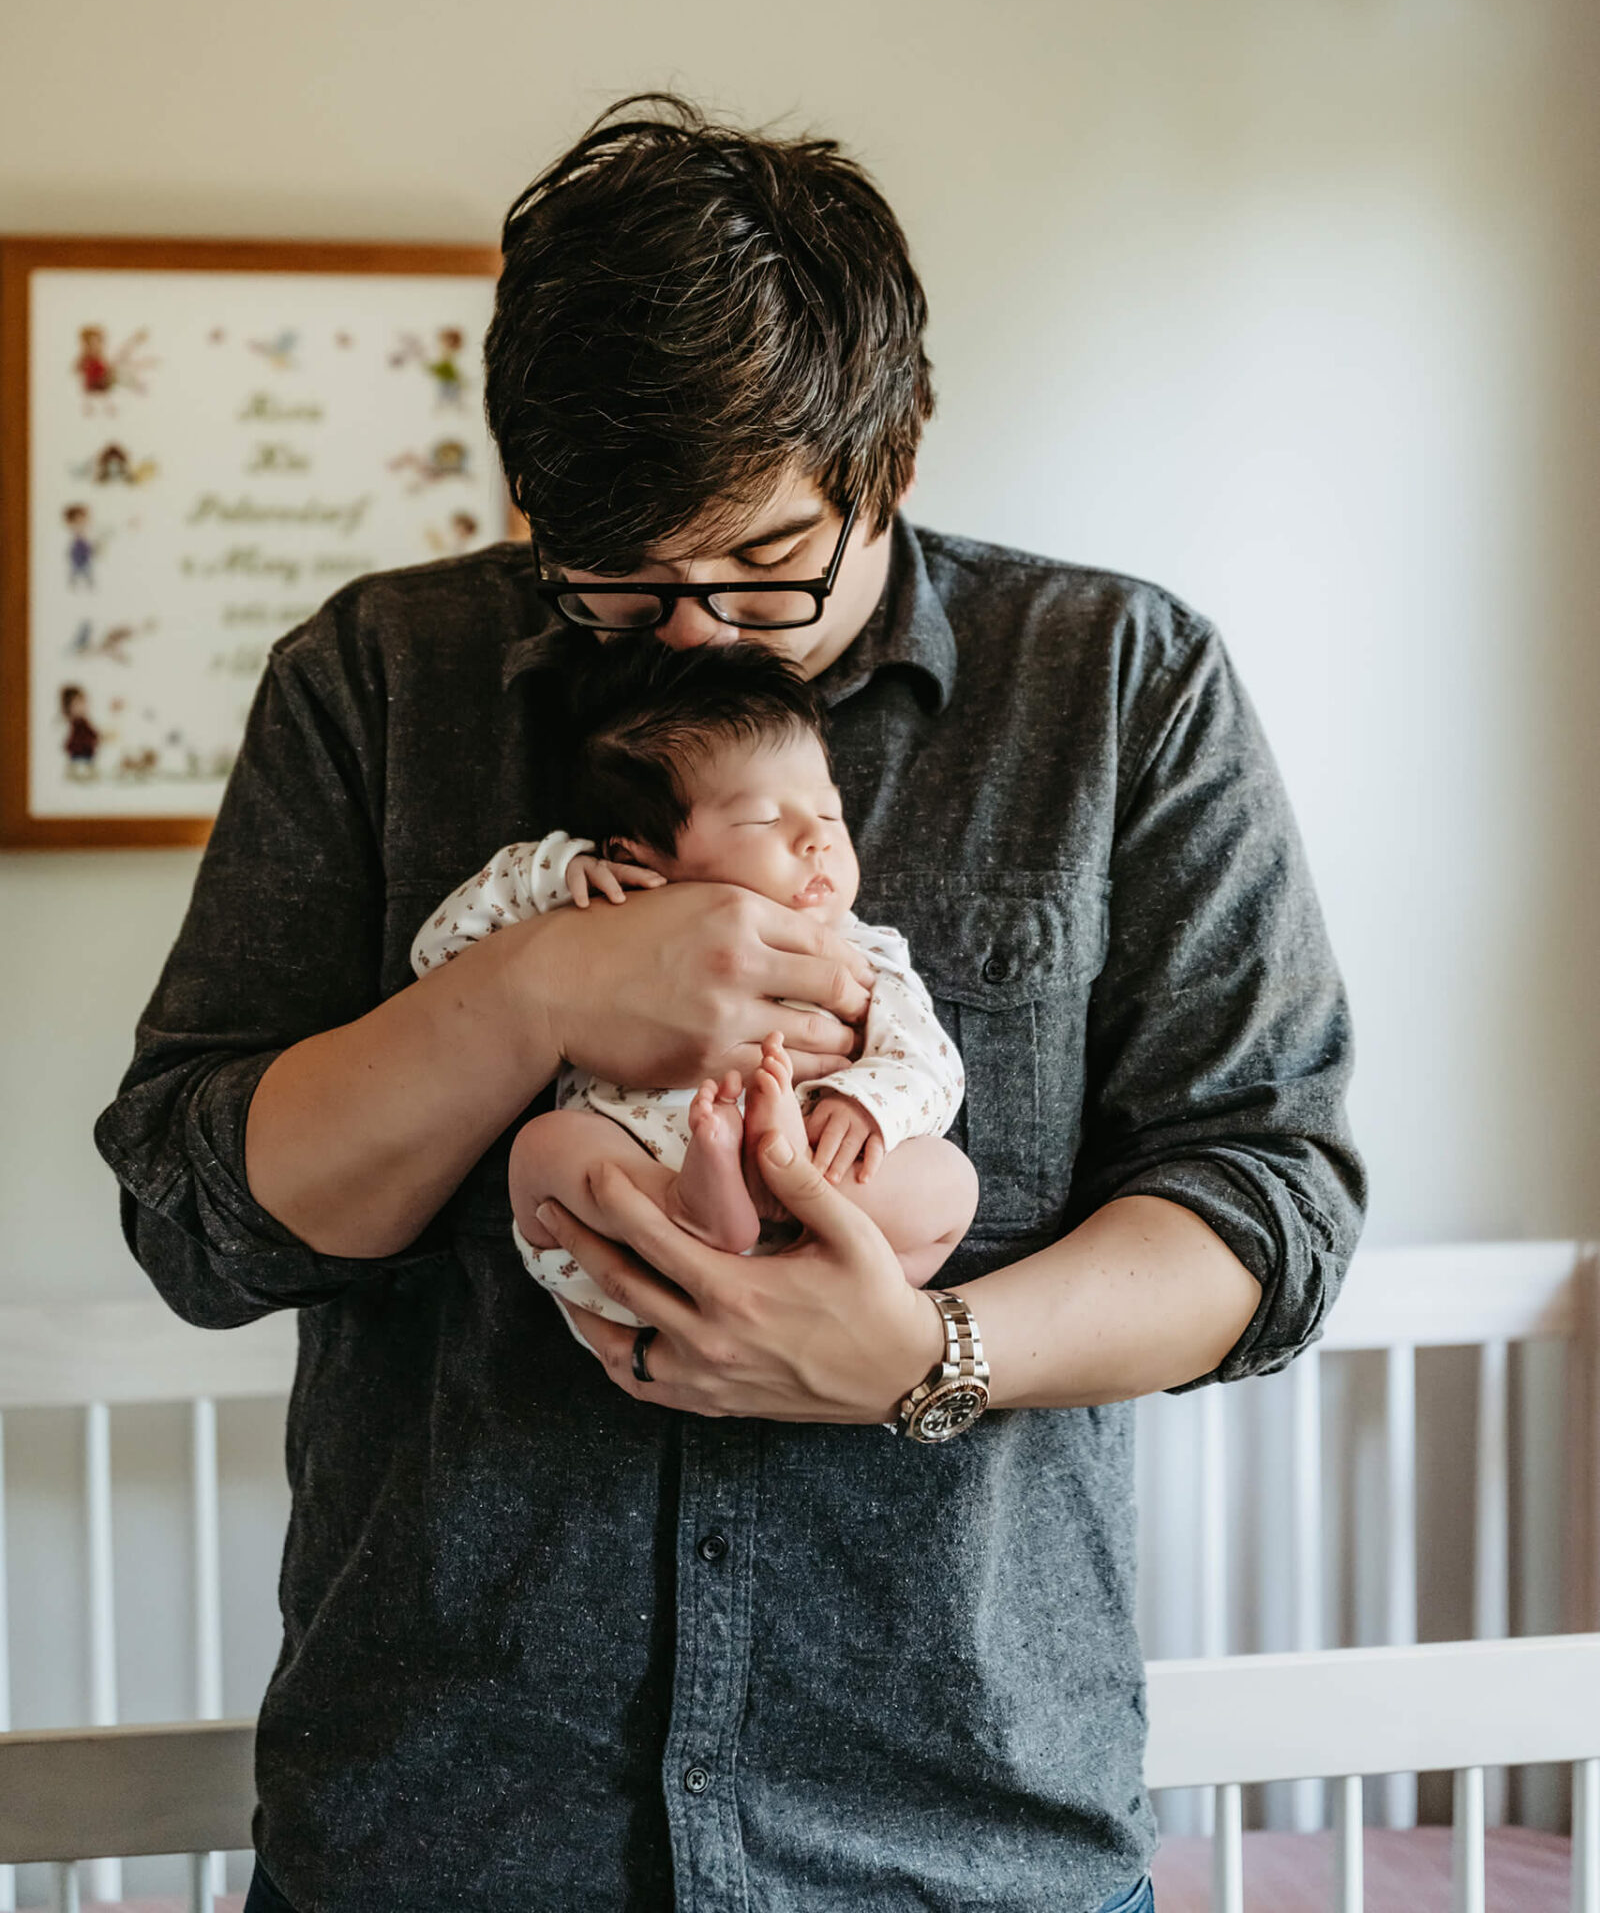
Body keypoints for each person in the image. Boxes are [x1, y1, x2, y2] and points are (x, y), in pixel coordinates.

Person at [96, 95, 1363, 1913]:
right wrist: (529, 991)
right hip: (445, 1837)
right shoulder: (377, 682)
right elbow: (201, 1220)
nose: (688, 630)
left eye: (763, 561)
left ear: (894, 457)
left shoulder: (1120, 688)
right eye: (614, 569)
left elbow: (1272, 1201)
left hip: (959, 1847)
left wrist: (929, 1361)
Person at [409, 636, 978, 1329]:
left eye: (829, 813)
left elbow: (931, 1065)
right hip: (638, 1224)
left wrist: (863, 1105)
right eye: (765, 819)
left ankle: (810, 1268)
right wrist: (548, 877)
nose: (817, 839)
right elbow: (439, 958)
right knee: (547, 1149)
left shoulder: (861, 953)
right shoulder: (601, 913)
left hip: (813, 1198)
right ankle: (694, 1206)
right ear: (640, 855)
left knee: (949, 1184)